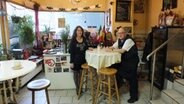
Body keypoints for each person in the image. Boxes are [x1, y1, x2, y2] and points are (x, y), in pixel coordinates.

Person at [108, 27, 139, 103]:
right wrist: (108, 48)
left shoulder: (129, 40)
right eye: (119, 33)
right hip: (125, 61)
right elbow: (113, 46)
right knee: (114, 68)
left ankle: (134, 96)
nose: (120, 34)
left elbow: (122, 51)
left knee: (132, 79)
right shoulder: (119, 40)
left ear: (125, 33)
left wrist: (112, 49)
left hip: (132, 62)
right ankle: (118, 84)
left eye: (122, 33)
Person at [69, 26, 88, 95]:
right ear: (76, 32)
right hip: (75, 61)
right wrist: (71, 62)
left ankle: (80, 88)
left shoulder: (84, 39)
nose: (80, 32)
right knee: (76, 77)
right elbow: (71, 52)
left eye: (81, 30)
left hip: (83, 61)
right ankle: (78, 90)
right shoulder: (73, 40)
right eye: (78, 30)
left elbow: (86, 47)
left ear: (82, 32)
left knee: (80, 76)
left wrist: (90, 48)